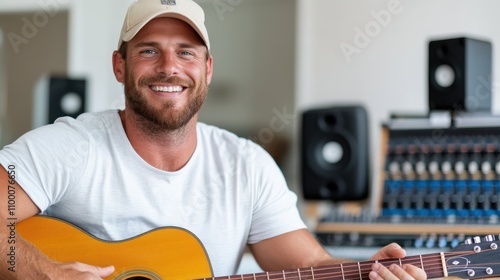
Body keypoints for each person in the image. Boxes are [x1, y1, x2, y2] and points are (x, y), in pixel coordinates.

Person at [0, 0, 427, 279]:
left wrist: (365, 272)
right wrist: (44, 270)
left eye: (186, 52)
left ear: (207, 69)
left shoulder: (247, 166)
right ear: (120, 65)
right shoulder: (69, 148)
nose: (170, 67)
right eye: (149, 50)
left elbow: (311, 266)